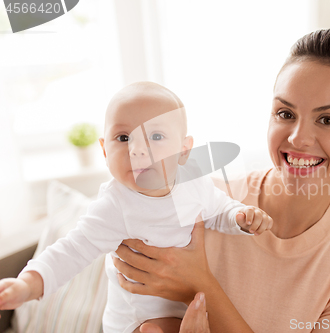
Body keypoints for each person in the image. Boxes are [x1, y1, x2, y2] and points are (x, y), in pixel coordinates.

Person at [112, 28, 330, 333]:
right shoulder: (203, 202)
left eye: (327, 120)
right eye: (285, 113)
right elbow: (128, 307)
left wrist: (199, 284)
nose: (298, 137)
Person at [0, 82, 273, 333]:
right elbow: (72, 250)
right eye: (123, 138)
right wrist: (28, 284)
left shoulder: (194, 183)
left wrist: (240, 217)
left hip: (184, 304)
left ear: (184, 151)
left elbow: (219, 209)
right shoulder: (115, 205)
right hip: (135, 319)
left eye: (155, 136)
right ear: (105, 150)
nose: (138, 149)